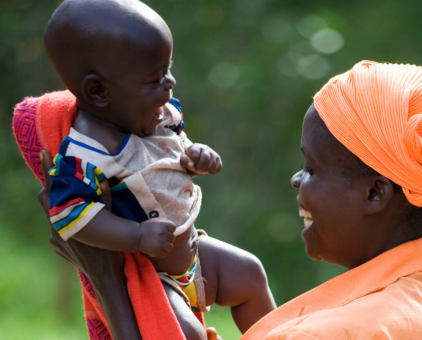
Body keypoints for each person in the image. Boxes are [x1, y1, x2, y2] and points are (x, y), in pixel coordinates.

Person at [38, 60, 422, 339]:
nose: (296, 179)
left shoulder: (331, 332)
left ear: (373, 193)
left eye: (311, 168)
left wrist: (107, 281)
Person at [36, 0, 275, 339]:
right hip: (156, 278)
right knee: (186, 334)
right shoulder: (85, 154)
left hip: (196, 253)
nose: (170, 82)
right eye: (156, 77)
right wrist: (135, 236)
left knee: (250, 272)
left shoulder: (156, 114)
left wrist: (195, 155)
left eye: (168, 69)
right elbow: (70, 216)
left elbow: (175, 147)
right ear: (98, 91)